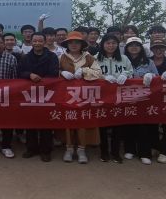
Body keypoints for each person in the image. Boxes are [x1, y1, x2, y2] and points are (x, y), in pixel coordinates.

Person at [58, 31, 102, 164]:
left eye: (77, 42)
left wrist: (84, 70)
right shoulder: (61, 57)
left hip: (85, 96)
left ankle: (82, 149)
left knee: (83, 121)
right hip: (66, 96)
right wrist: (61, 73)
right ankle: (69, 148)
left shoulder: (88, 57)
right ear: (67, 44)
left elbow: (99, 73)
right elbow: (52, 73)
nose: (74, 45)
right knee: (68, 121)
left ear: (82, 44)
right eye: (71, 42)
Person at [18, 32, 59, 162]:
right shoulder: (25, 57)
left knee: (46, 123)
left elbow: (54, 73)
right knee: (30, 122)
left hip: (47, 94)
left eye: (40, 41)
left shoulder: (52, 56)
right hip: (29, 94)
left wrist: (40, 80)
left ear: (45, 42)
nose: (37, 43)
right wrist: (29, 75)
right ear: (31, 42)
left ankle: (46, 150)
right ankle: (31, 148)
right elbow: (20, 72)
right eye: (35, 41)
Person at [96, 33, 132, 163]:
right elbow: (90, 72)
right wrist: (103, 77)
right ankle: (104, 152)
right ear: (103, 44)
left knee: (118, 124)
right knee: (103, 125)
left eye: (113, 43)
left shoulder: (124, 58)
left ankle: (116, 152)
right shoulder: (95, 58)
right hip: (102, 96)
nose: (111, 46)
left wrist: (125, 74)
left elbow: (131, 71)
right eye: (108, 43)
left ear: (117, 45)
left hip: (119, 96)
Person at [123, 37, 159, 165]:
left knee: (144, 126)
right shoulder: (123, 60)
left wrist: (151, 75)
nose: (134, 47)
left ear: (141, 48)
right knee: (129, 124)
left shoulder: (149, 62)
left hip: (145, 98)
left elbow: (157, 77)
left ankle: (145, 153)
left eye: (137, 45)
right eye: (131, 45)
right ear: (126, 48)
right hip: (127, 97)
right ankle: (130, 149)